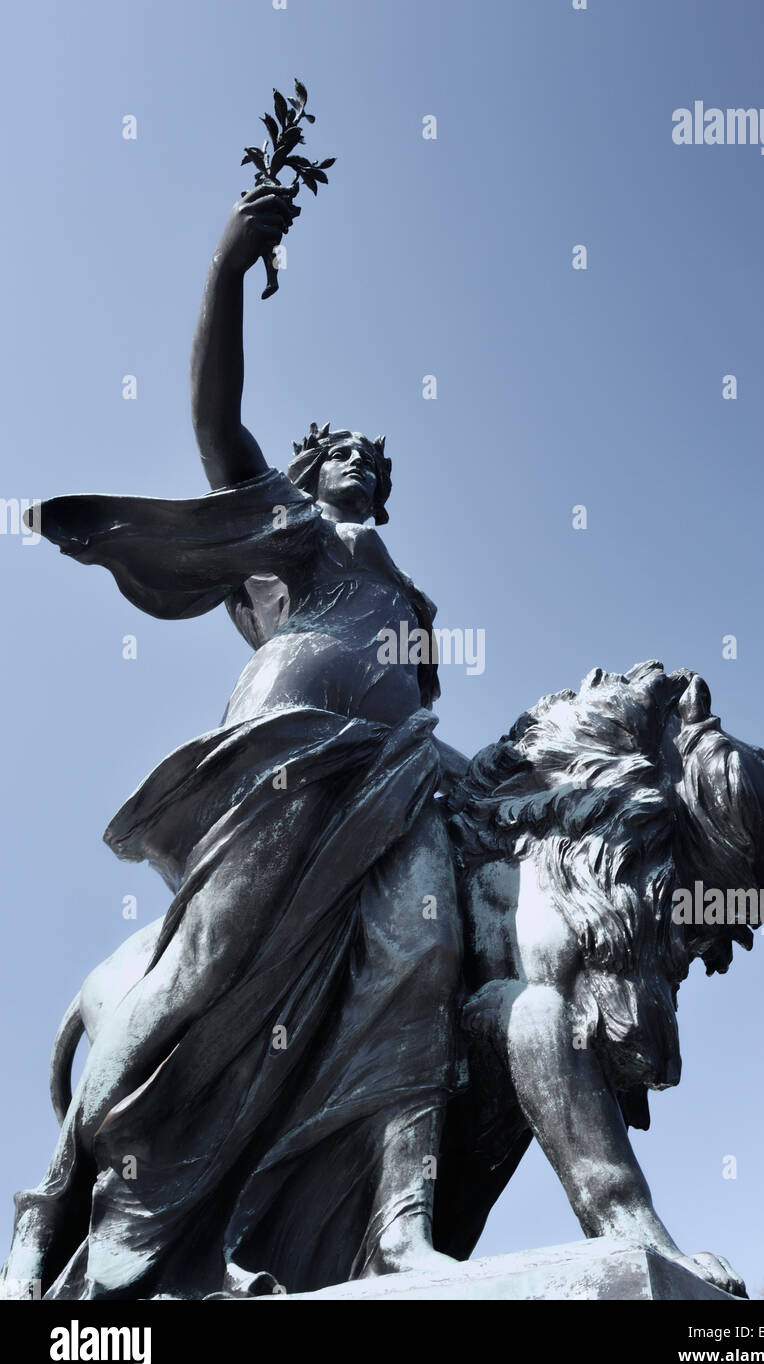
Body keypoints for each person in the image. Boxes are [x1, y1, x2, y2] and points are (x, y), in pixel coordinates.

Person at [3, 187, 466, 1300]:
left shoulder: (415, 598)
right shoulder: (296, 531)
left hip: (400, 781)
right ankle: (62, 1197)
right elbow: (217, 424)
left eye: (372, 457)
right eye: (341, 450)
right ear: (307, 476)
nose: (361, 462)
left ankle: (395, 1226)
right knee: (214, 967)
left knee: (425, 954)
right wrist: (223, 267)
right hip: (290, 745)